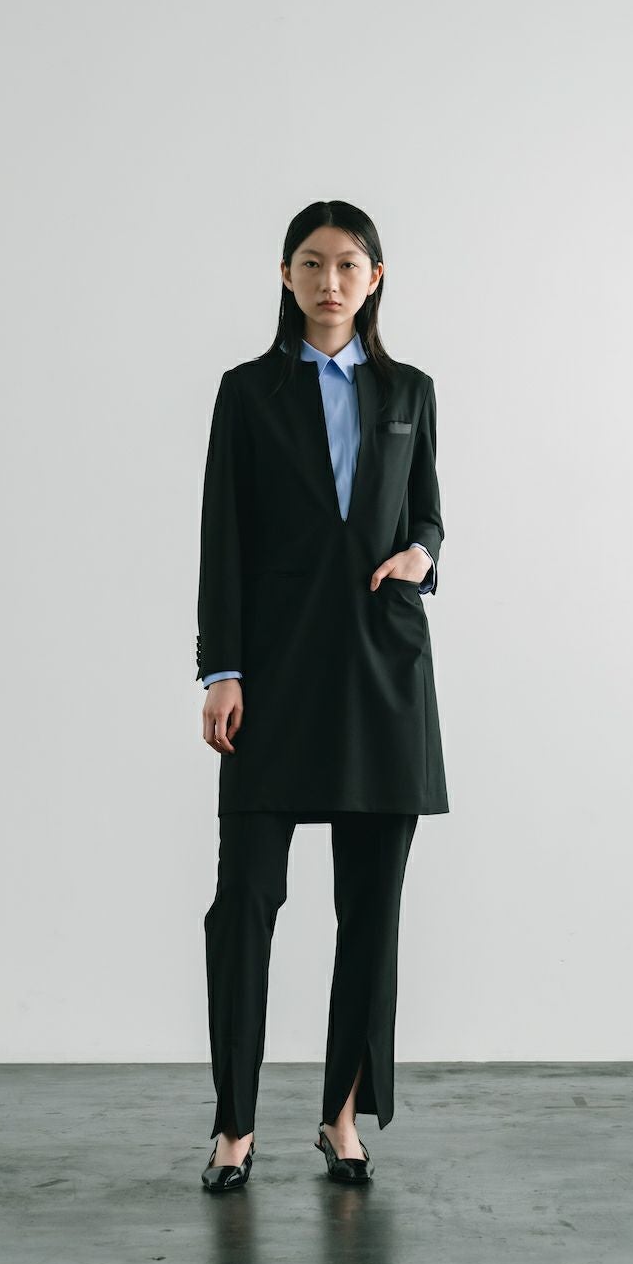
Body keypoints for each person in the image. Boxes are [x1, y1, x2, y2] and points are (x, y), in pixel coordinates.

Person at [196, 200, 448, 1190]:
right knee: (244, 902)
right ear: (286, 274)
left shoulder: (410, 390)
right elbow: (222, 535)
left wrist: (422, 554)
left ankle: (341, 1115)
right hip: (275, 674)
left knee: (371, 911)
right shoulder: (247, 392)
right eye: (311, 262)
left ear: (374, 277)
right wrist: (221, 671)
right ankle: (233, 1125)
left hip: (384, 676)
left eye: (348, 264)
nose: (329, 280)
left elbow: (427, 512)